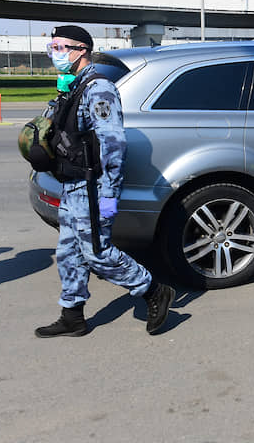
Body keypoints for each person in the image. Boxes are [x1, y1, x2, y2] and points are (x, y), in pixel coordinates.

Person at [34, 25, 175, 338]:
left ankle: (153, 291)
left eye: (61, 47)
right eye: (52, 47)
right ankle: (72, 315)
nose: (55, 54)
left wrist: (109, 196)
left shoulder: (99, 89)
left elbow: (112, 145)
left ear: (81, 50)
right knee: (69, 252)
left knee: (98, 252)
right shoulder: (73, 86)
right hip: (72, 185)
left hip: (93, 187)